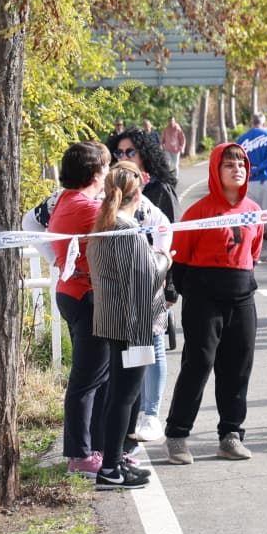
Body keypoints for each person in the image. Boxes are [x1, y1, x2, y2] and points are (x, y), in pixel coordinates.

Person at [165, 142, 265, 464]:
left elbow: (253, 254)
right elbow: (179, 260)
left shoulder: (253, 210)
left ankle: (231, 435)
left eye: (242, 165)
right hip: (204, 298)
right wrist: (189, 293)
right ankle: (178, 435)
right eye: (229, 165)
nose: (238, 169)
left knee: (238, 367)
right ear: (215, 171)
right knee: (198, 364)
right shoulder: (198, 213)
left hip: (242, 297)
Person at [87, 162, 169, 491]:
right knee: (125, 397)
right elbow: (147, 278)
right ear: (138, 196)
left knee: (119, 395)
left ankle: (116, 460)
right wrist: (164, 257)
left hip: (116, 321)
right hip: (134, 327)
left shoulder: (102, 226)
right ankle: (111, 466)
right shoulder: (126, 231)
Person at [106, 128, 179, 444]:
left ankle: (152, 414)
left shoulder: (158, 191)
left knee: (154, 347)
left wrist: (167, 284)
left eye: (130, 153)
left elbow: (169, 235)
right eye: (119, 153)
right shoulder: (112, 192)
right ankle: (134, 410)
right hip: (118, 287)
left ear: (144, 156)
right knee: (131, 350)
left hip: (151, 284)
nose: (123, 158)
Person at [49, 141, 112, 477]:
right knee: (88, 380)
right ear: (94, 172)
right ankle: (79, 453)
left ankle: (99, 448)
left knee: (100, 377)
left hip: (76, 292)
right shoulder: (86, 208)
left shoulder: (67, 200)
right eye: (105, 168)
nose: (107, 175)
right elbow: (124, 230)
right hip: (85, 296)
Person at [239, 111, 267, 262]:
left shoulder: (241, 139)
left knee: (252, 219)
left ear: (251, 122)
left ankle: (252, 252)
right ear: (264, 122)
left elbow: (238, 159)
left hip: (249, 183)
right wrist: (259, 169)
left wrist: (249, 171)